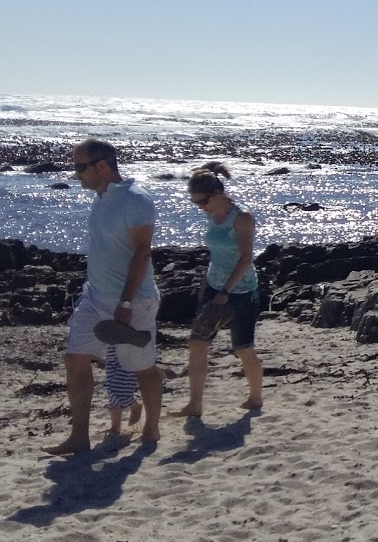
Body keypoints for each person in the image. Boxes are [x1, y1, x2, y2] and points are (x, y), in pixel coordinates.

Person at [45, 139, 162, 455]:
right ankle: (79, 436)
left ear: (101, 165)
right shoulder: (100, 198)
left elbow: (142, 252)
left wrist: (125, 302)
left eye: (80, 167)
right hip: (95, 297)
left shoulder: (135, 199)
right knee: (75, 357)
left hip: (134, 300)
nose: (76, 174)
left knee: (142, 366)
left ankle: (152, 427)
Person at [171, 163, 264, 417]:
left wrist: (226, 291)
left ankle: (255, 398)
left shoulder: (242, 217)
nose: (199, 207)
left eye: (201, 201)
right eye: (194, 203)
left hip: (241, 291)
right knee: (197, 344)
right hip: (214, 286)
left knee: (243, 348)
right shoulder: (211, 214)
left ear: (216, 193)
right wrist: (210, 287)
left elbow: (246, 259)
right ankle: (195, 405)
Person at [103, 346, 142, 444]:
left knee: (117, 389)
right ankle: (116, 426)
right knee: (112, 389)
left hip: (127, 350)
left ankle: (134, 407)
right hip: (111, 354)